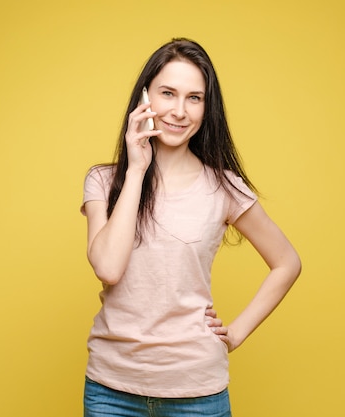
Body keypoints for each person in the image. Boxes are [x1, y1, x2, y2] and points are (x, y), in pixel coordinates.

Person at [80, 38, 301, 417]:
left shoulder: (224, 187)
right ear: (145, 97)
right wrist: (136, 170)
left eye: (194, 98)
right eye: (168, 93)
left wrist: (235, 333)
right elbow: (108, 268)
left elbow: (287, 262)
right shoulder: (104, 181)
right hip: (110, 390)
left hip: (197, 394)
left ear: (206, 107)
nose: (180, 111)